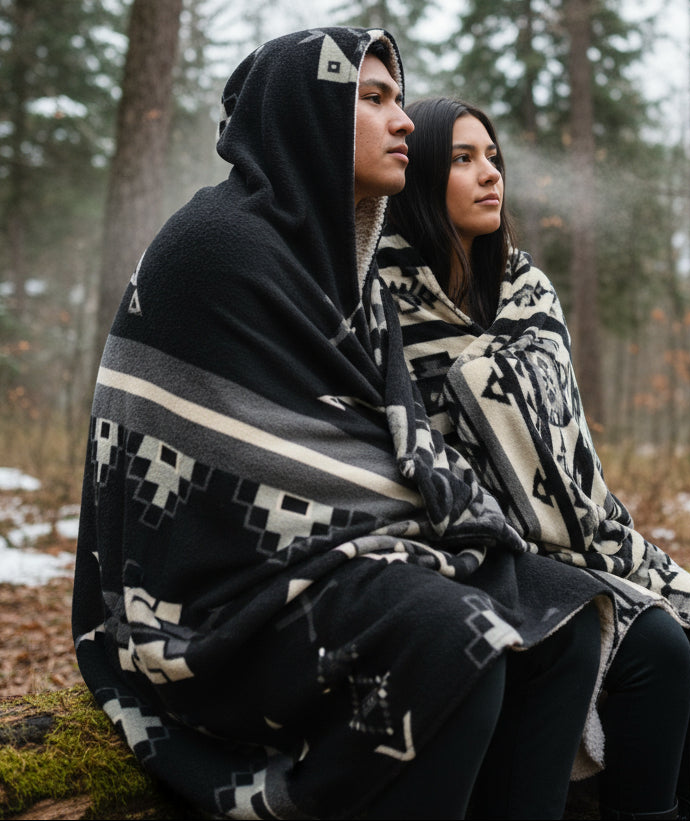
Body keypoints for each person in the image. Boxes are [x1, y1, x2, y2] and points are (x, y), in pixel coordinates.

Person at [73, 28, 629, 820]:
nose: (402, 120)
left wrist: (449, 514)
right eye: (372, 99)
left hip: (341, 550)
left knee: (562, 615)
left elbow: (392, 430)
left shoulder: (348, 267)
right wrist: (403, 520)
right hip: (221, 595)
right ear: (306, 116)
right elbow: (234, 454)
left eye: (397, 98)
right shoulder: (217, 244)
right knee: (456, 640)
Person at [377, 96, 690, 821]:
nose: (490, 174)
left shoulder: (528, 292)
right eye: (462, 159)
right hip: (476, 544)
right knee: (659, 645)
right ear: (418, 180)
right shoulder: (383, 301)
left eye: (493, 157)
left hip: (579, 525)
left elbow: (569, 444)